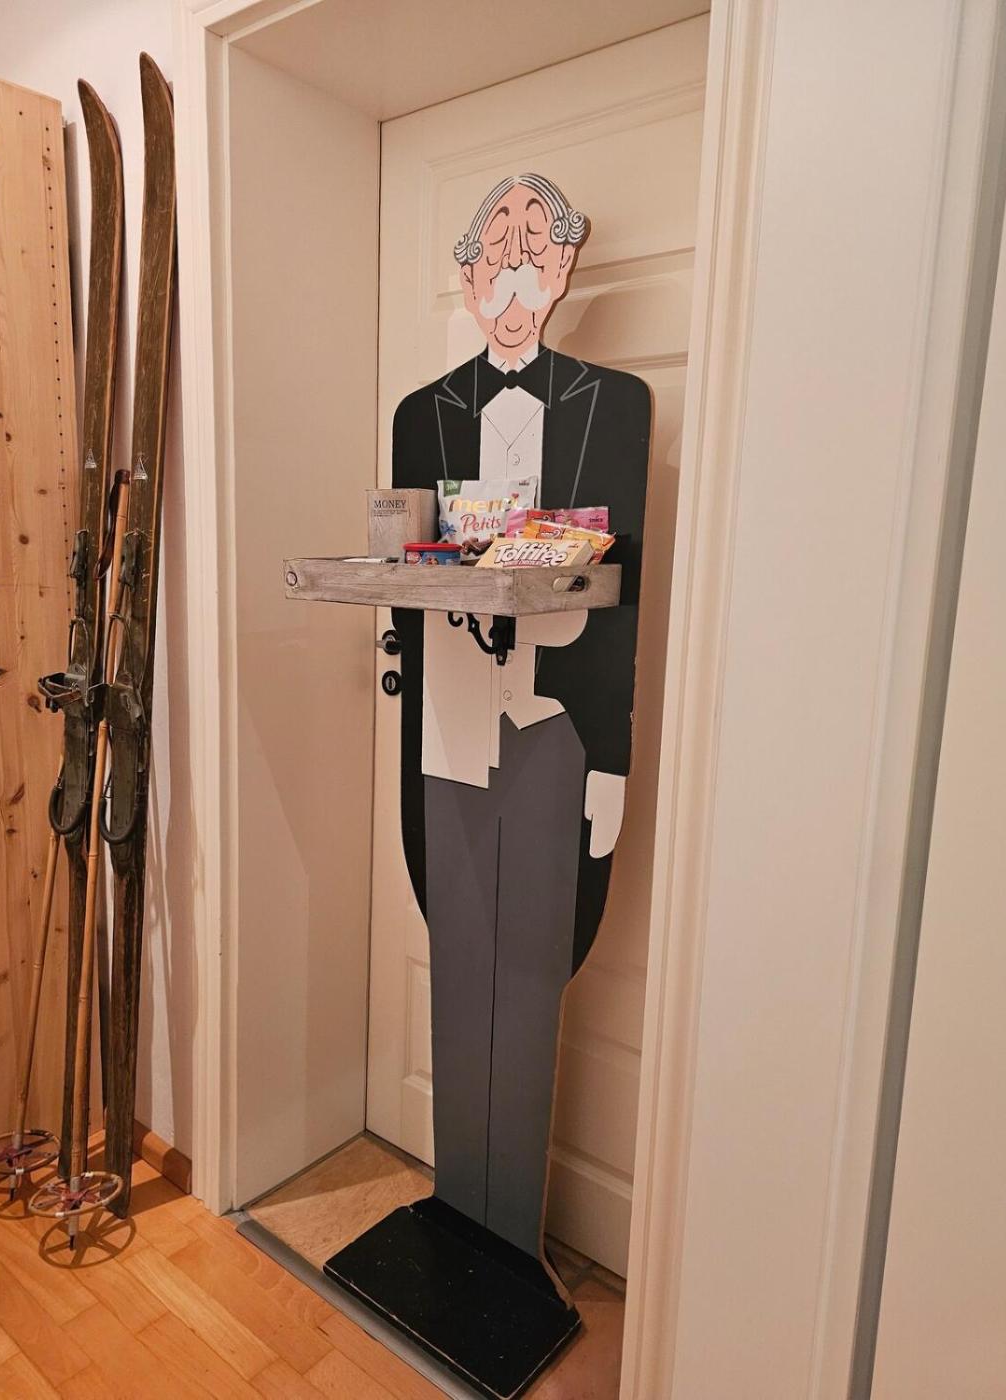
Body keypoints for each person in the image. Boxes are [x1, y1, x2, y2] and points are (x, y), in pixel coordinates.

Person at [391, 173, 651, 1261]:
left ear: (564, 264)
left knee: (537, 970)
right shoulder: (421, 414)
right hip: (449, 729)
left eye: (534, 241)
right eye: (493, 244)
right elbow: (406, 587)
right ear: (467, 274)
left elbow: (624, 600)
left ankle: (511, 1243)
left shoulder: (615, 405)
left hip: (557, 734)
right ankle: (458, 1211)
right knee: (460, 961)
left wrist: (613, 765)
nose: (512, 263)